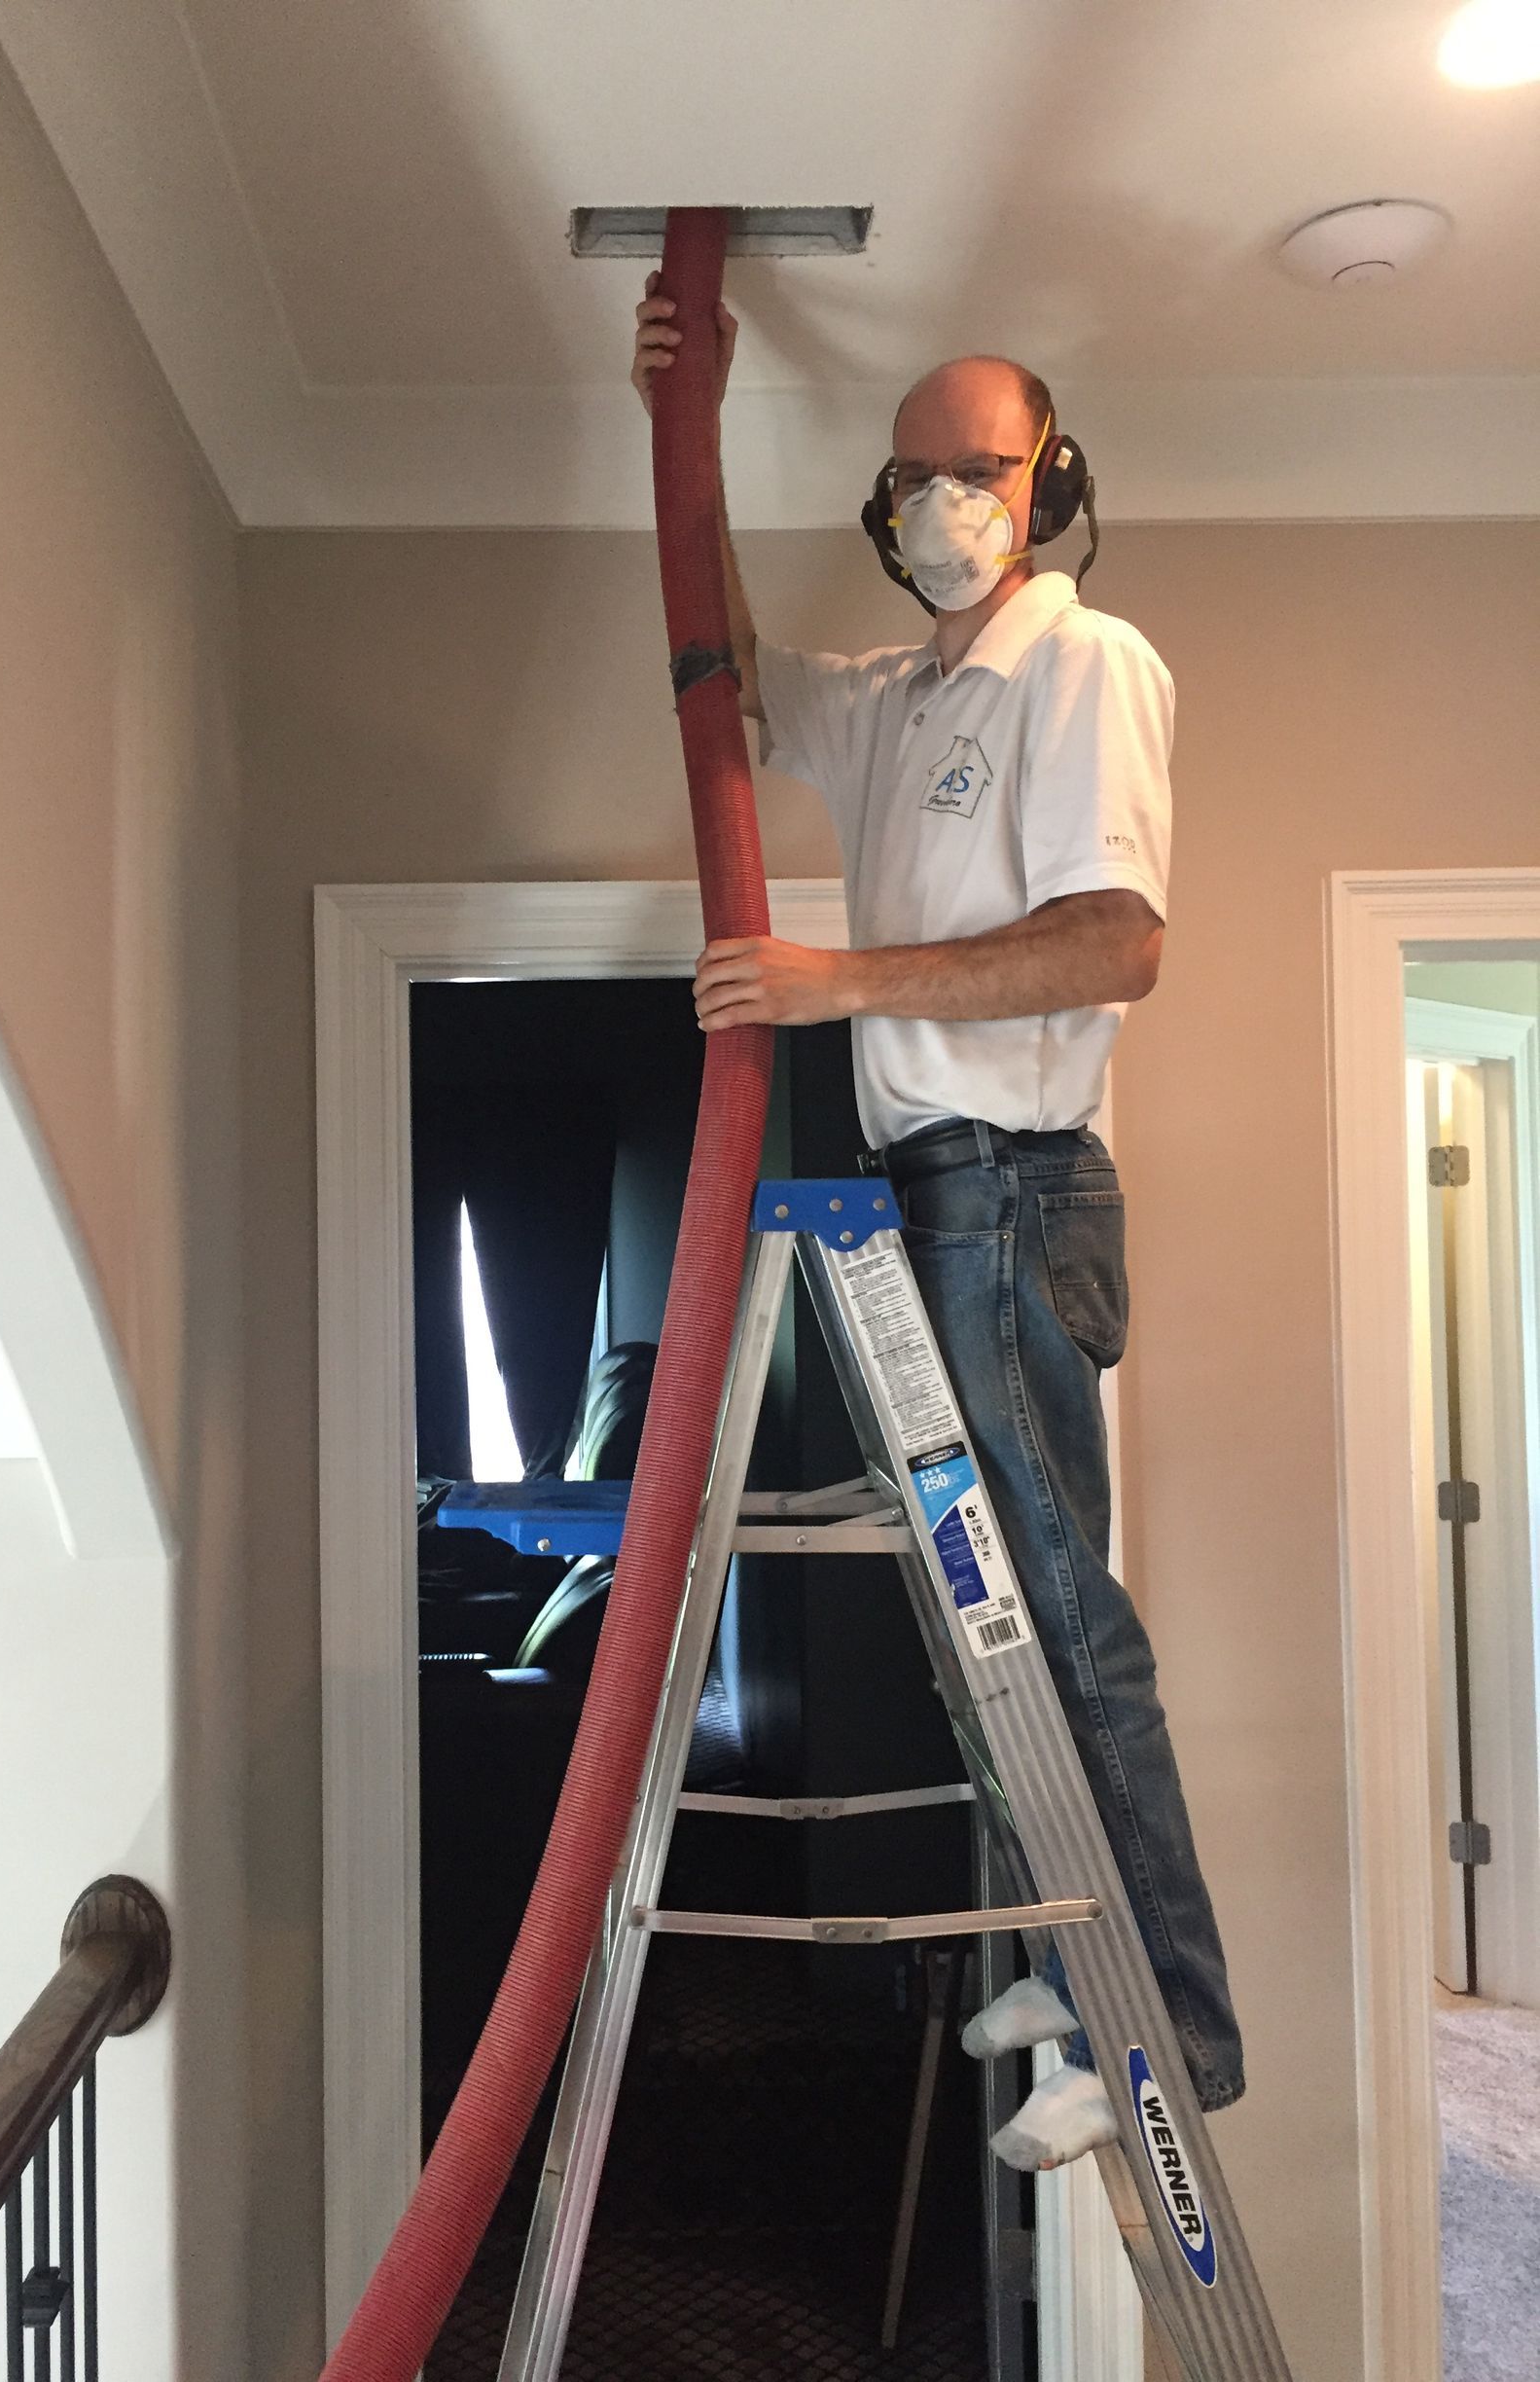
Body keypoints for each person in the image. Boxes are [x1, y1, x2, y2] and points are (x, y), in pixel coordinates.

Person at [631, 277, 1242, 2173]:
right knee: (974, 1615)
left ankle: (1166, 2026)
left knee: (1054, 1608)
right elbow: (729, 663)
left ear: (1047, 480)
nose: (937, 503)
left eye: (971, 468)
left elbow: (1115, 943)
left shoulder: (1086, 663)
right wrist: (681, 426)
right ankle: (1074, 1967)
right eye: (908, 478)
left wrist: (837, 984)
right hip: (925, 1191)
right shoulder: (902, 702)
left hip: (1010, 1186)